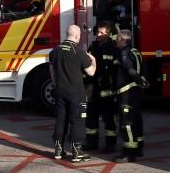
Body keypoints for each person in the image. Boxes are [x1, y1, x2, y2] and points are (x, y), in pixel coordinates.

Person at [48, 24, 96, 163]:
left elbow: (52, 72)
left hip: (59, 91)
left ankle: (58, 149)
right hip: (76, 93)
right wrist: (94, 60)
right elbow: (91, 72)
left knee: (61, 120)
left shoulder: (55, 51)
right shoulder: (79, 52)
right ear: (76, 36)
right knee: (77, 121)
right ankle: (77, 152)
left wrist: (57, 84)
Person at [114, 29, 149, 163]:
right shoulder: (136, 51)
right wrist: (144, 81)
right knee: (137, 120)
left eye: (117, 39)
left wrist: (141, 81)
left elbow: (130, 70)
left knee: (126, 123)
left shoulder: (124, 53)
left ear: (123, 40)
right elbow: (144, 69)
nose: (116, 40)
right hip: (137, 93)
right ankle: (139, 147)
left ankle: (129, 152)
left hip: (127, 93)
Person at [86, 21, 119, 152]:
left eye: (101, 32)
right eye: (97, 32)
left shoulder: (113, 47)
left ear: (108, 33)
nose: (98, 34)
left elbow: (116, 71)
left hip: (108, 90)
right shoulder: (93, 46)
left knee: (108, 119)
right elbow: (86, 64)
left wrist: (115, 88)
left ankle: (110, 145)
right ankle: (91, 142)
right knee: (91, 117)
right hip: (94, 88)